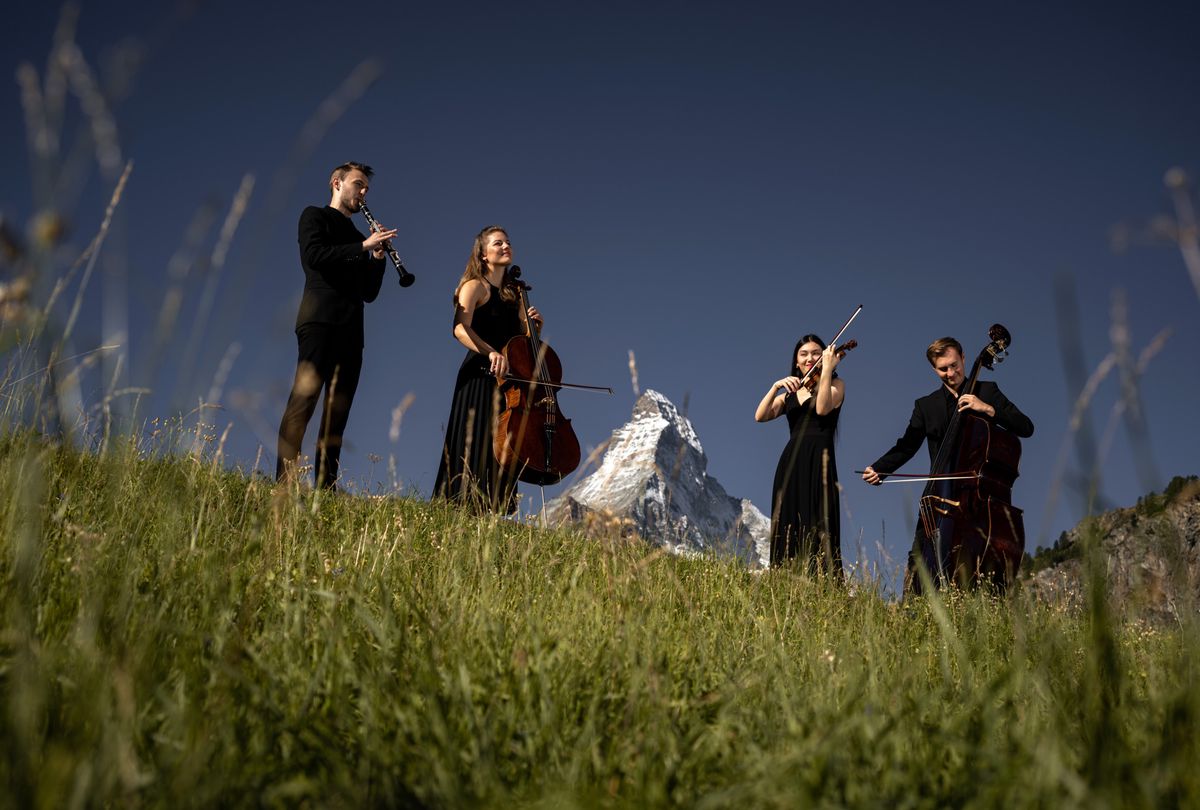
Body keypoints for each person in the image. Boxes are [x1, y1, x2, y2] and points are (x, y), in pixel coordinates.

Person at [861, 336, 1034, 593]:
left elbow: (1026, 427)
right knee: (921, 566)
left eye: (954, 365)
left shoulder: (988, 391)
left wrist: (987, 409)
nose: (951, 373)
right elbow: (907, 445)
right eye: (943, 369)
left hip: (975, 500)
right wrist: (880, 469)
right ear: (934, 369)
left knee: (977, 569)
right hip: (936, 498)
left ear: (964, 359)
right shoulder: (926, 406)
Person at [275, 161, 396, 489]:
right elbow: (314, 256)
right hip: (319, 321)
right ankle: (284, 484)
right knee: (304, 402)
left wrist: (378, 260)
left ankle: (325, 489)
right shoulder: (314, 216)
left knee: (337, 412)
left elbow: (368, 293)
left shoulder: (360, 235)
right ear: (337, 183)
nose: (363, 192)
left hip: (351, 329)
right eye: (358, 184)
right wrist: (363, 247)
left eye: (366, 188)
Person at [434, 226, 541, 512]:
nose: (505, 245)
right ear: (483, 254)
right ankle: (459, 508)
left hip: (508, 382)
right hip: (479, 376)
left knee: (502, 446)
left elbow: (524, 343)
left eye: (508, 241)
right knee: (477, 444)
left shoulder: (515, 295)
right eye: (498, 243)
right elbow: (459, 328)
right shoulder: (475, 286)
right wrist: (490, 351)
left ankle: (492, 512)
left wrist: (534, 327)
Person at [755, 334, 846, 574]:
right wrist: (775, 386)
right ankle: (785, 578)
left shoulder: (836, 385)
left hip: (820, 460)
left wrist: (826, 370)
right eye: (803, 354)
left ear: (825, 355)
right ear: (796, 361)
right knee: (789, 520)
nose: (810, 358)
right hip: (792, 461)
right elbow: (760, 415)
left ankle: (821, 582)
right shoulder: (789, 394)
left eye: (816, 353)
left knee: (818, 518)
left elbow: (822, 407)